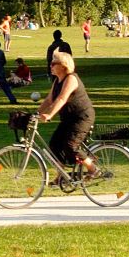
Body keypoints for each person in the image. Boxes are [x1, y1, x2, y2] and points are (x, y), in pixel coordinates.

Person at [37, 51, 102, 180]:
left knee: (70, 145)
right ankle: (62, 176)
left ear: (63, 65)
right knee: (54, 145)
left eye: (53, 63)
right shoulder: (57, 81)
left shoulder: (71, 79)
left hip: (81, 117)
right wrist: (36, 114)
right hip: (68, 118)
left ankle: (94, 169)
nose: (50, 66)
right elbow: (49, 100)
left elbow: (61, 99)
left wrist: (49, 115)